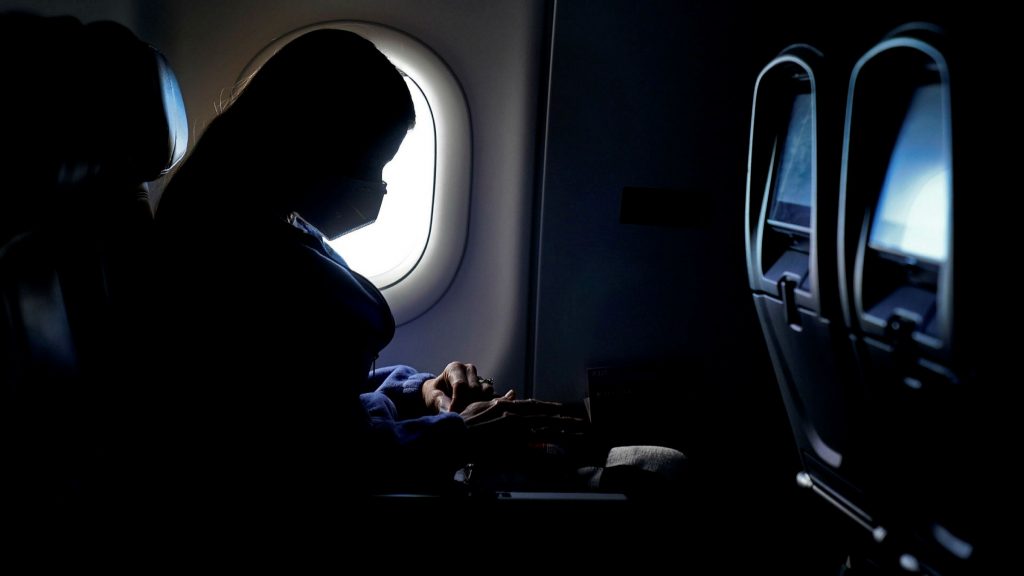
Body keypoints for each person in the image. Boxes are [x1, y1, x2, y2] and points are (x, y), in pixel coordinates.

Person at [153, 29, 501, 502]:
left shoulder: (271, 221)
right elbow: (308, 453)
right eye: (370, 166)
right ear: (310, 145)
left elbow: (316, 397)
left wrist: (419, 390)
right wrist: (457, 435)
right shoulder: (225, 258)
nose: (378, 189)